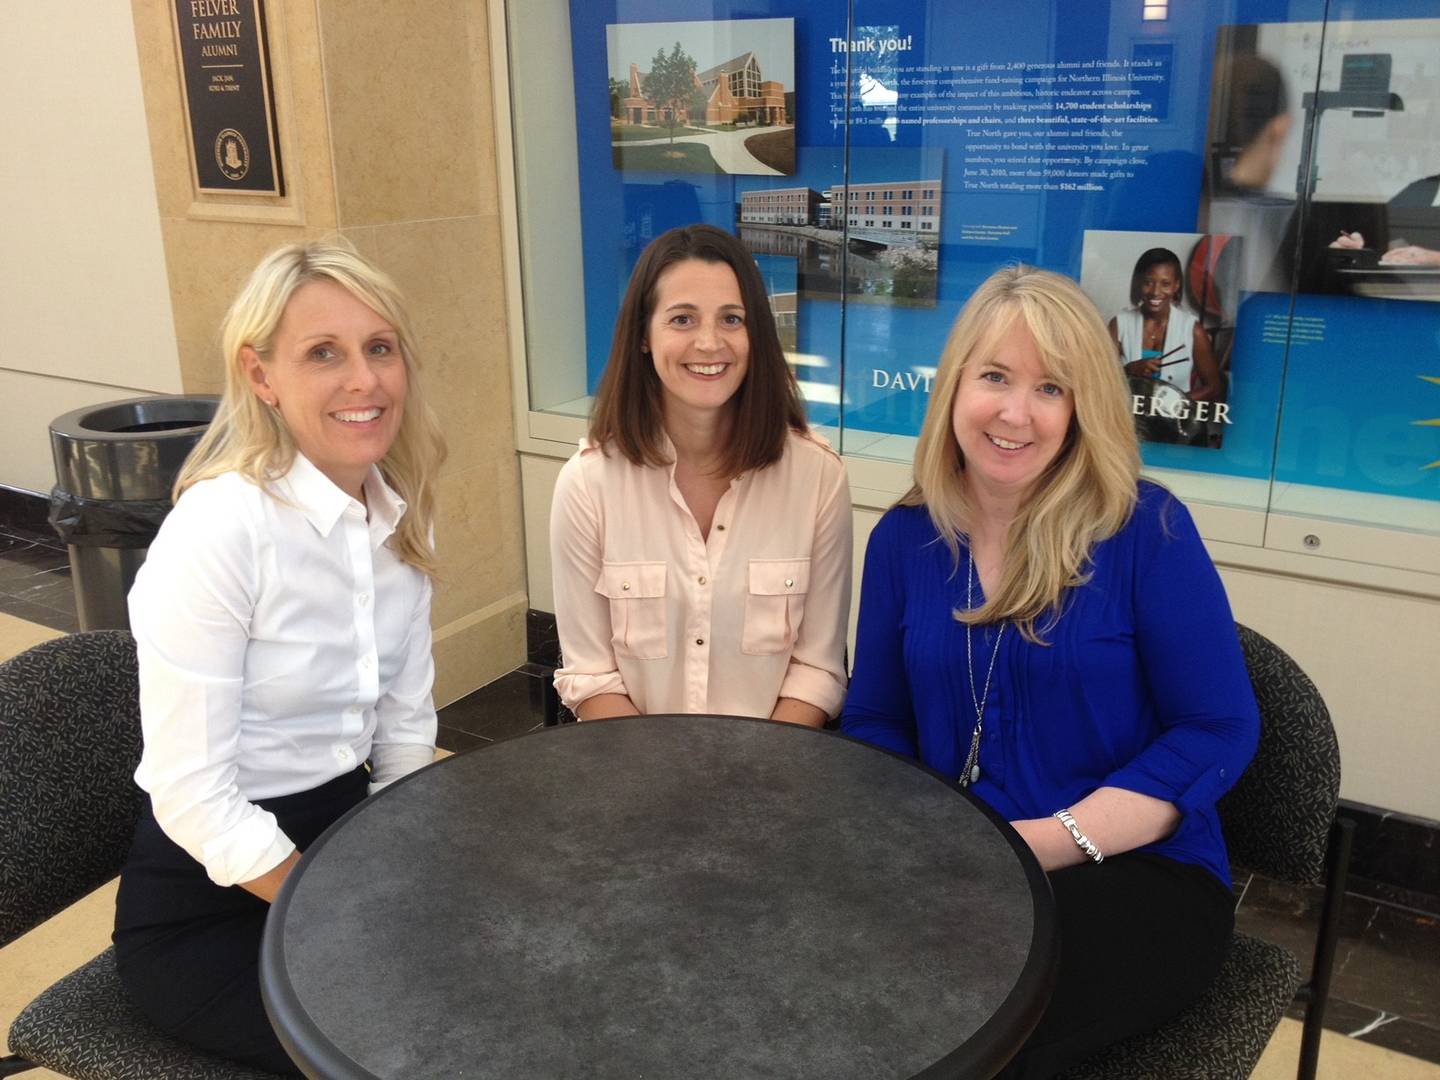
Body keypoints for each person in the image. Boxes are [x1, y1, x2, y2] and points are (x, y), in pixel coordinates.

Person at [842, 265, 1259, 1077]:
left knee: (949, 1028)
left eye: (1050, 389)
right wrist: (909, 846)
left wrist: (1040, 841)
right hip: (958, 864)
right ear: (956, 384)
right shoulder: (903, 538)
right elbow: (874, 721)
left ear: (1082, 410)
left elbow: (1219, 726)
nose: (1014, 413)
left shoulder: (1146, 530)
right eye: (995, 376)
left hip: (1136, 875)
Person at [113, 240, 447, 1074]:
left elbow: (404, 730)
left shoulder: (399, 518)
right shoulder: (221, 530)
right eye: (322, 354)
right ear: (261, 376)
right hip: (216, 900)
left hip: (344, 846)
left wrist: (403, 872)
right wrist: (333, 906)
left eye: (380, 348)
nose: (364, 381)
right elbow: (192, 794)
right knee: (424, 1047)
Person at [550, 224, 850, 726]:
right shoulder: (587, 485)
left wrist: (751, 780)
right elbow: (591, 677)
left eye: (732, 319)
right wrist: (669, 784)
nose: (710, 343)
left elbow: (816, 670)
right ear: (644, 336)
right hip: (636, 770)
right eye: (682, 319)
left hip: (773, 775)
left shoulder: (817, 477)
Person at [1108, 246, 1222, 401]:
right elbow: (1100, 378)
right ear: (1138, 283)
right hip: (1127, 418)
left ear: (1176, 285)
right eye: (1148, 282)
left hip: (1175, 422)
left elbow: (1214, 387)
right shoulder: (1119, 324)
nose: (1155, 292)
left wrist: (1174, 404)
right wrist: (1128, 370)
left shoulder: (1192, 329)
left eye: (1165, 284)